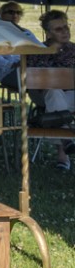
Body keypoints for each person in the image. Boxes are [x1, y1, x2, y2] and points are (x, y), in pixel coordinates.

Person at [28, 10, 75, 170]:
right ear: (48, 33)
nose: (65, 31)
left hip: (71, 96)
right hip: (44, 95)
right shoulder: (37, 52)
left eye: (66, 27)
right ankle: (65, 147)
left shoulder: (74, 50)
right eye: (58, 29)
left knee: (60, 96)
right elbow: (34, 80)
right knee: (54, 92)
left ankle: (64, 141)